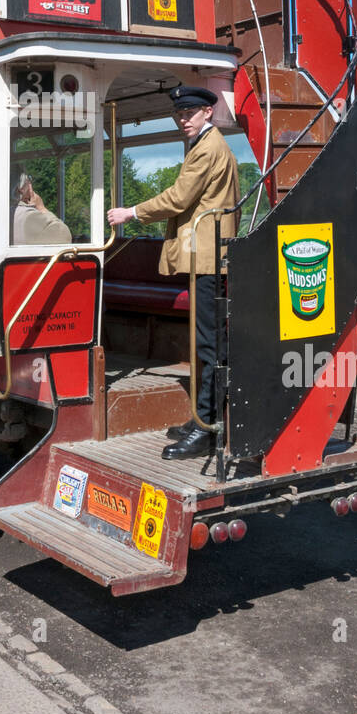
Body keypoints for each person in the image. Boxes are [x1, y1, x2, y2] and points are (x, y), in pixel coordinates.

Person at [107, 85, 239, 460]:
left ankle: (208, 426)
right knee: (206, 342)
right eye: (179, 114)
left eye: (190, 113)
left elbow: (179, 197)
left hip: (206, 256)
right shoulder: (209, 145)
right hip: (206, 254)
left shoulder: (207, 148)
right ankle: (203, 417)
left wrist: (130, 212)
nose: (183, 120)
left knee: (209, 345)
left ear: (207, 113)